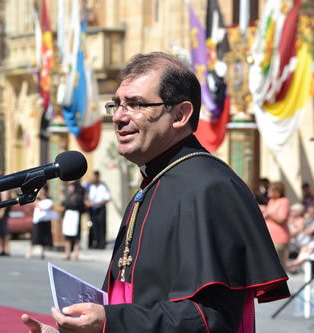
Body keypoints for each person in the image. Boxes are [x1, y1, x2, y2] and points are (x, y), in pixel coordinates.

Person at [22, 52, 289, 332]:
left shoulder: (209, 188)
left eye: (136, 104)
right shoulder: (153, 181)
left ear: (180, 115)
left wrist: (110, 322)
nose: (119, 118)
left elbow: (213, 320)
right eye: (117, 105)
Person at [263, 181, 290, 269]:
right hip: (269, 236)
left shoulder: (284, 201)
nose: (268, 191)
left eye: (271, 189)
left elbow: (281, 219)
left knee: (278, 266)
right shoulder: (271, 201)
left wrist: (267, 211)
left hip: (279, 238)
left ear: (278, 191)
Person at [26, 185, 57, 259]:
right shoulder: (37, 198)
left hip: (45, 220)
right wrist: (40, 207)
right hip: (38, 220)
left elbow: (52, 206)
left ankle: (43, 253)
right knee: (35, 237)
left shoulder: (49, 199)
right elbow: (34, 203)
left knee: (45, 238)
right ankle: (29, 253)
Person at [62, 180, 87, 260]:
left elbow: (82, 207)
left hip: (76, 217)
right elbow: (65, 206)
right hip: (68, 216)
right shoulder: (68, 196)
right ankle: (67, 253)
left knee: (76, 238)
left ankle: (75, 254)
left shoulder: (79, 197)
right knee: (67, 237)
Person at [85, 171, 111, 249]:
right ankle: (93, 243)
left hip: (100, 208)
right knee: (92, 226)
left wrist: (96, 203)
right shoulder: (89, 185)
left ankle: (101, 244)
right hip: (92, 209)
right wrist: (88, 203)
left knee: (101, 226)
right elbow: (85, 196)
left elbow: (107, 198)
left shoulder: (103, 186)